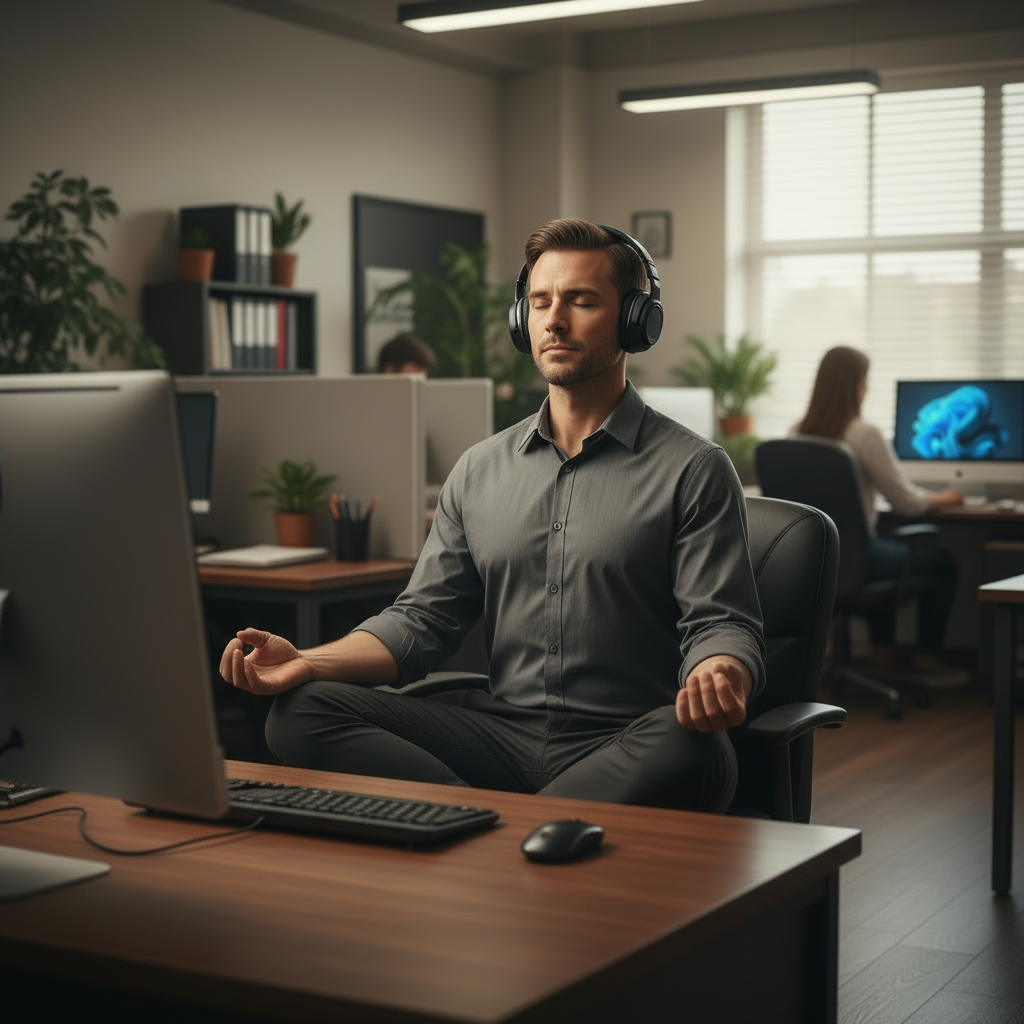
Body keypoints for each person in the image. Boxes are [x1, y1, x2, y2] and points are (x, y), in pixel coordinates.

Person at [220, 219, 766, 811]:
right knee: (301, 709)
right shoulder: (478, 470)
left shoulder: (694, 467)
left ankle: (481, 829)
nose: (554, 319)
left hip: (626, 740)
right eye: (539, 302)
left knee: (698, 749)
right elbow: (422, 622)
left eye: (581, 300)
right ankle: (511, 829)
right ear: (521, 320)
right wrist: (306, 660)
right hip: (500, 736)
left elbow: (721, 622)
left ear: (636, 320)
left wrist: (720, 670)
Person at [795, 345, 966, 685]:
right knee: (944, 563)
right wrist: (947, 497)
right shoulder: (864, 434)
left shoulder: (796, 431)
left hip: (811, 559)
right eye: (865, 379)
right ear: (856, 384)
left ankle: (881, 655)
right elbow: (907, 503)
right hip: (858, 558)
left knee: (883, 548)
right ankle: (926, 657)